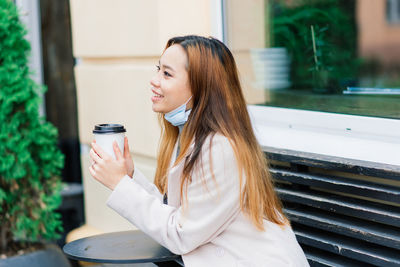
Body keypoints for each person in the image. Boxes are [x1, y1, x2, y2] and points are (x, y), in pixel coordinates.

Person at [89, 35, 309, 267]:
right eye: (158, 70)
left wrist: (120, 184)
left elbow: (181, 234)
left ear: (200, 86)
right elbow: (180, 218)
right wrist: (129, 178)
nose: (154, 80)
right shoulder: (192, 137)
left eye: (167, 73)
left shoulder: (220, 148)